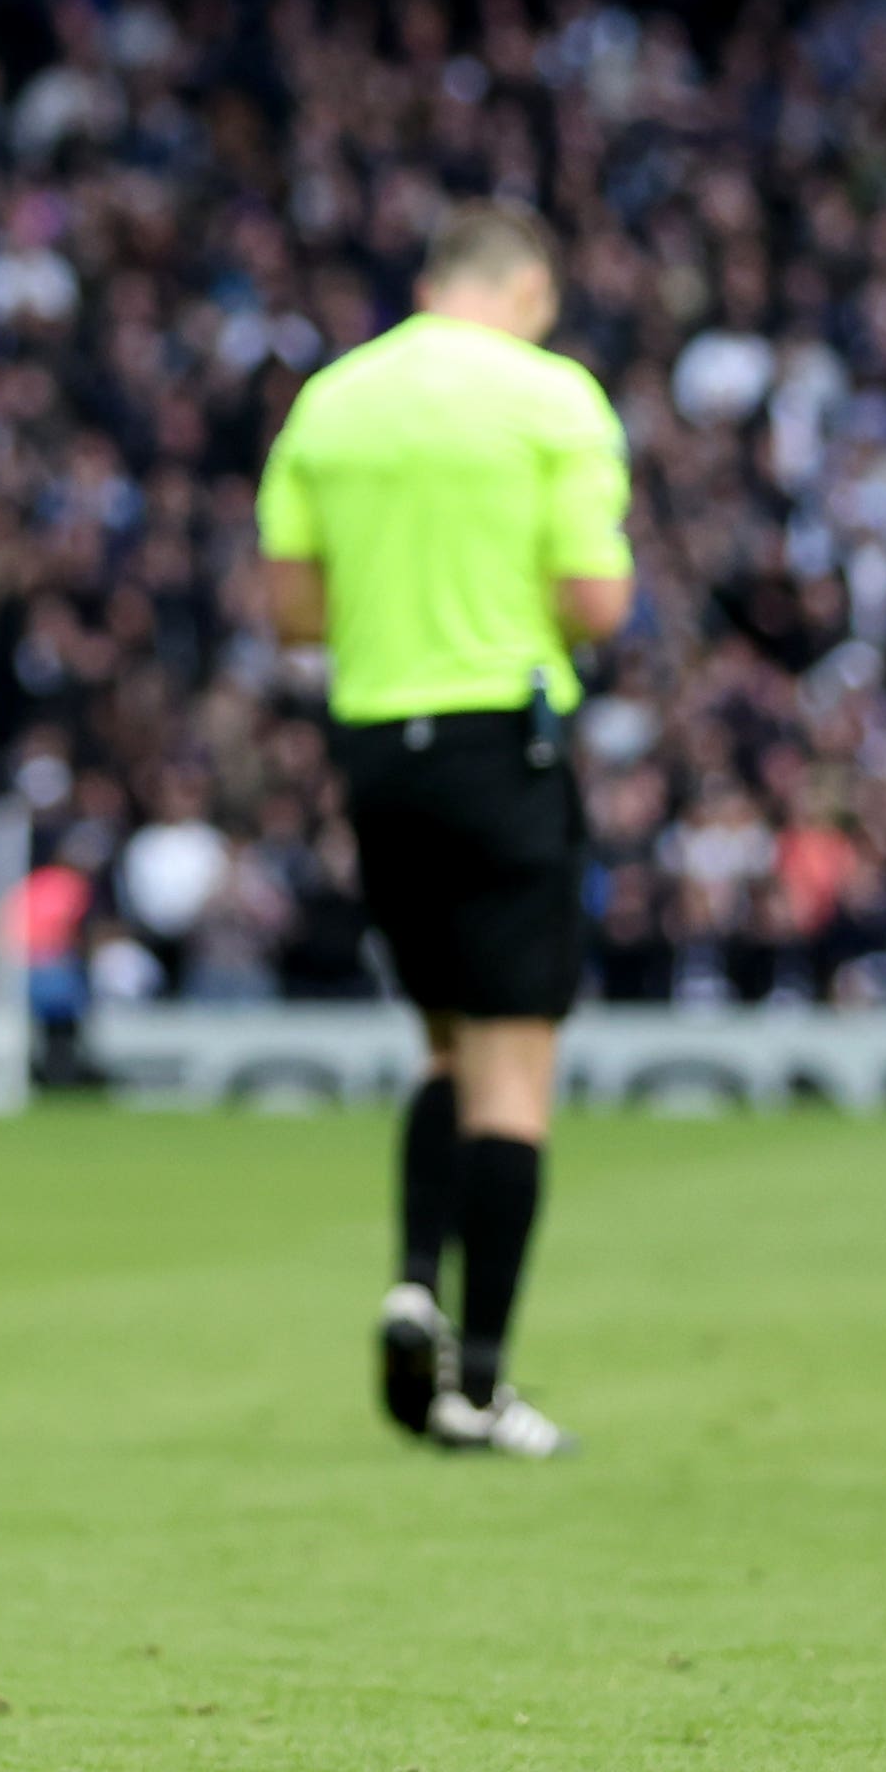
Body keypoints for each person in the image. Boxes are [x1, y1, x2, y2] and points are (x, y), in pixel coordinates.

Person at [257, 205, 632, 1457]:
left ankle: (414, 1273)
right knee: (515, 1071)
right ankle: (479, 1381)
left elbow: (295, 613)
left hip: (378, 753)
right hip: (500, 747)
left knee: (442, 1042)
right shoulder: (551, 398)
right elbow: (595, 599)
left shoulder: (335, 400)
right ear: (525, 286)